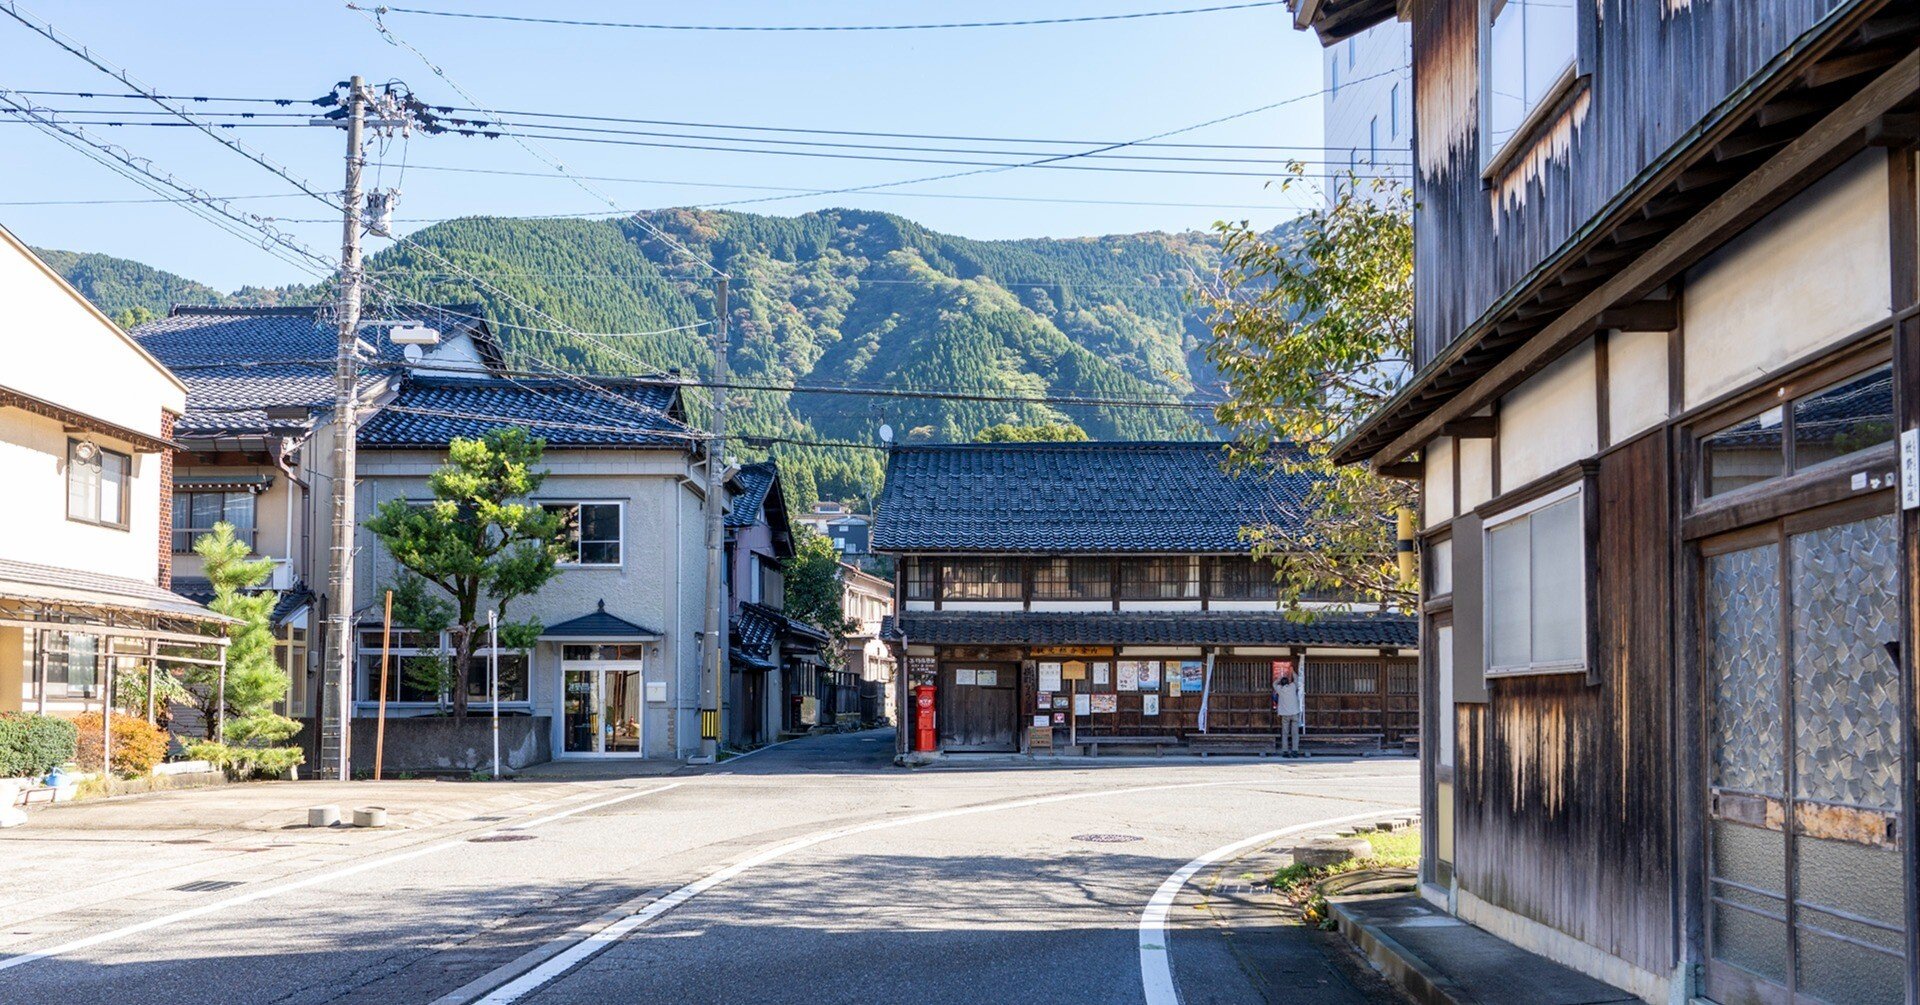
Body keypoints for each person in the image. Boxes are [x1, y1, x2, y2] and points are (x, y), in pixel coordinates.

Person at [1274, 658, 1304, 756]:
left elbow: (1274, 684)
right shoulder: (1292, 687)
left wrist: (1279, 677)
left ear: (1281, 684)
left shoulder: (1279, 689)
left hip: (1284, 714)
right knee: (1295, 733)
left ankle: (1285, 751)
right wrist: (1292, 671)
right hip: (1294, 712)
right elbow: (1296, 679)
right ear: (1288, 682)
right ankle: (1295, 751)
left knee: (1285, 733)